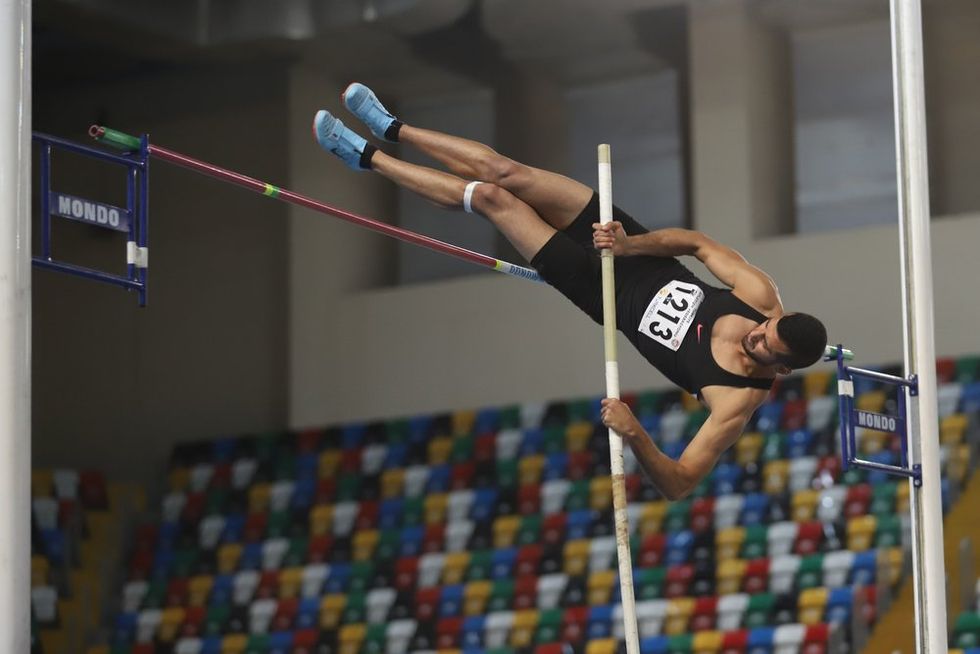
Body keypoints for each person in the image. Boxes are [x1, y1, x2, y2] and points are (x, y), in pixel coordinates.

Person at [314, 82, 828, 500]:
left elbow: (679, 483)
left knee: (494, 199)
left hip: (597, 290)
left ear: (779, 370)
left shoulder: (734, 403)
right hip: (622, 242)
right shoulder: (760, 295)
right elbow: (695, 243)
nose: (755, 337)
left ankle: (368, 159)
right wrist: (630, 245)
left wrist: (634, 435)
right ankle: (392, 126)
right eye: (764, 330)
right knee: (506, 172)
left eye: (763, 348)